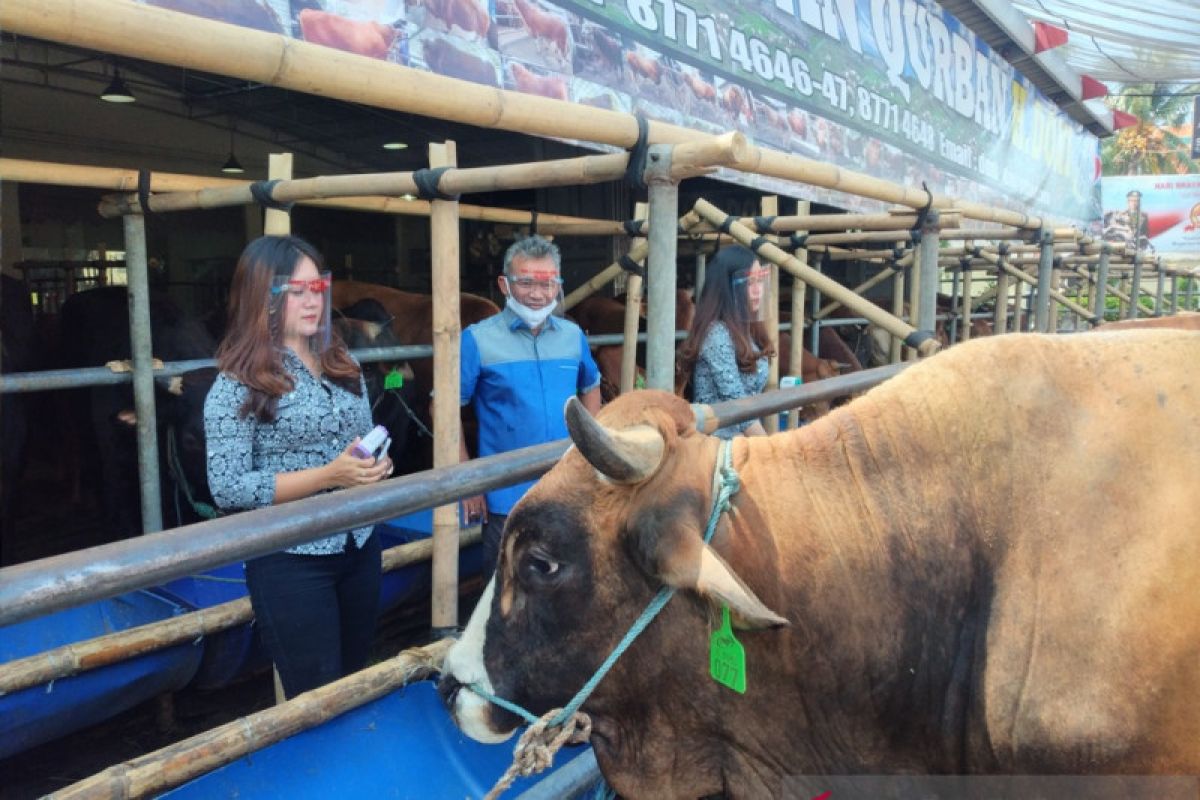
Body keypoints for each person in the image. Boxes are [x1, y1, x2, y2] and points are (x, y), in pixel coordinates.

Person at [204, 235, 393, 699]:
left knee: (355, 676)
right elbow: (228, 487)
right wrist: (330, 476)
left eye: (318, 289)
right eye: (297, 291)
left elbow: (360, 439)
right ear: (262, 296)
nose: (313, 301)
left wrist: (373, 464)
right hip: (292, 559)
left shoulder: (341, 362)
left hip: (359, 542)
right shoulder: (236, 383)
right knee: (316, 694)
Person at [459, 235, 601, 576]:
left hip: (567, 487)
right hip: (506, 497)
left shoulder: (572, 336)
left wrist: (591, 447)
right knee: (504, 587)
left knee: (566, 586)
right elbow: (446, 409)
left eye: (549, 283)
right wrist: (467, 482)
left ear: (559, 284)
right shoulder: (477, 339)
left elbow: (591, 386)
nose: (538, 295)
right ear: (504, 284)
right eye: (526, 283)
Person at [676, 245, 774, 439]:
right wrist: (769, 448)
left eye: (760, 282)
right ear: (728, 288)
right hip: (717, 450)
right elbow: (736, 402)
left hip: (744, 444)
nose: (757, 291)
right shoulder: (716, 333)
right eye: (749, 283)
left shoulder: (749, 330)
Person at [1103, 189, 1153, 253]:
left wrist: (1143, 247)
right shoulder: (1121, 215)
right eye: (1132, 201)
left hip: (1139, 248)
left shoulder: (1144, 216)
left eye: (1136, 201)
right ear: (1128, 201)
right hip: (1124, 248)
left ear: (1139, 202)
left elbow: (1145, 232)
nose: (1134, 203)